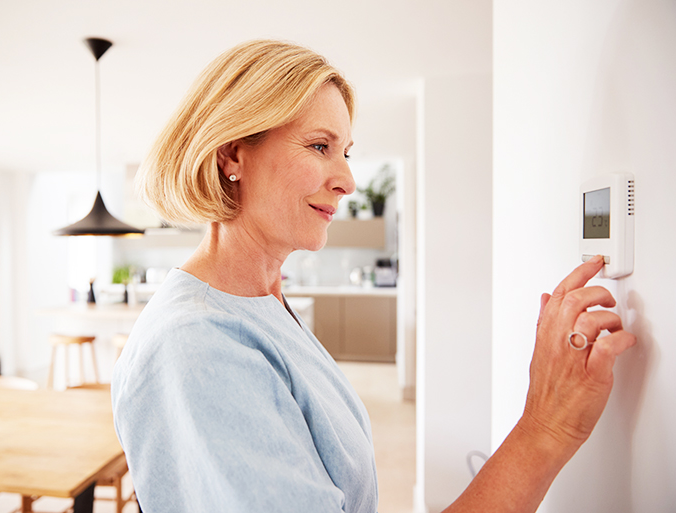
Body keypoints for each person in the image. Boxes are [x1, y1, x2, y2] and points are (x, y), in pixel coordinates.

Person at [111, 39, 636, 513]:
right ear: (232, 155)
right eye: (320, 146)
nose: (346, 180)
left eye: (346, 152)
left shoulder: (260, 302)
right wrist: (545, 429)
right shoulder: (199, 345)